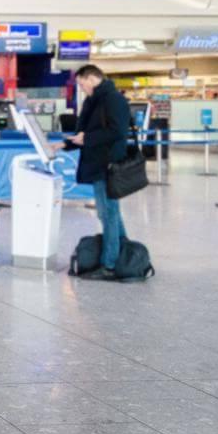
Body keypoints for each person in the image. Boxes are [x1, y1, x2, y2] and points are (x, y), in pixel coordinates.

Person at [55, 64, 132, 280]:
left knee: (108, 213)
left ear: (92, 79)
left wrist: (87, 138)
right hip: (98, 163)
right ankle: (122, 254)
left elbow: (117, 131)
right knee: (109, 213)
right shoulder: (94, 101)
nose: (81, 88)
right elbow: (86, 133)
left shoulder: (113, 99)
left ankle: (109, 264)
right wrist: (62, 145)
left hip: (108, 164)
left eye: (82, 84)